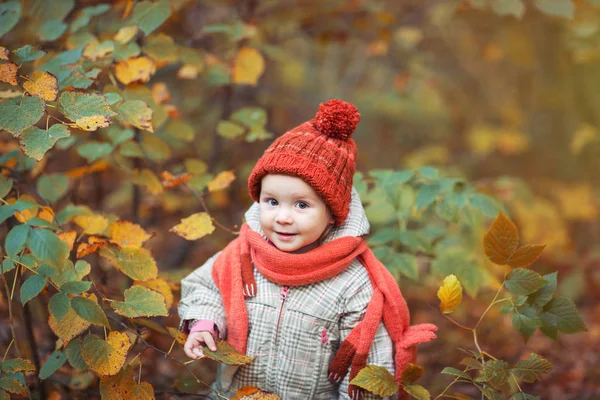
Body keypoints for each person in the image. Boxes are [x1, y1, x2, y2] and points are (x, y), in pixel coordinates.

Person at [178, 99, 437, 400]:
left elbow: (367, 365)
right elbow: (205, 288)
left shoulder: (352, 284)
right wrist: (205, 322)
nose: (283, 217)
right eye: (272, 201)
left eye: (302, 205)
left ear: (332, 214)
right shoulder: (243, 255)